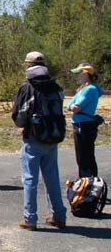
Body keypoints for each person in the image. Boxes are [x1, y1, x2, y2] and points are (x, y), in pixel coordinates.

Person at [12, 51, 66, 231]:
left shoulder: (28, 87)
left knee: (29, 179)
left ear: (28, 65)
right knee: (52, 178)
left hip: (33, 137)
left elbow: (18, 114)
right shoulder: (56, 86)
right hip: (53, 137)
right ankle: (59, 215)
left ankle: (30, 218)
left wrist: (22, 125)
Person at [67, 63, 104, 178]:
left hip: (84, 125)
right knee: (84, 157)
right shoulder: (83, 89)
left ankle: (88, 184)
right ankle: (87, 182)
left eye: (78, 74)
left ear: (85, 74)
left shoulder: (90, 89)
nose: (76, 76)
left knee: (85, 157)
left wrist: (73, 106)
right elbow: (69, 106)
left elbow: (76, 107)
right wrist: (72, 106)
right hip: (81, 124)